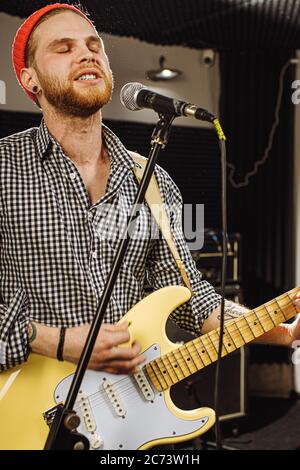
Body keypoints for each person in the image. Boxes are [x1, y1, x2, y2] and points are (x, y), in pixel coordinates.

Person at [0, 3, 299, 374]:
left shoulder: (151, 180)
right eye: (63, 48)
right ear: (31, 80)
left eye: (94, 47)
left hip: (120, 416)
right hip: (20, 410)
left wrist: (283, 331)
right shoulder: (5, 168)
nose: (86, 55)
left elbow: (194, 303)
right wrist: (57, 342)